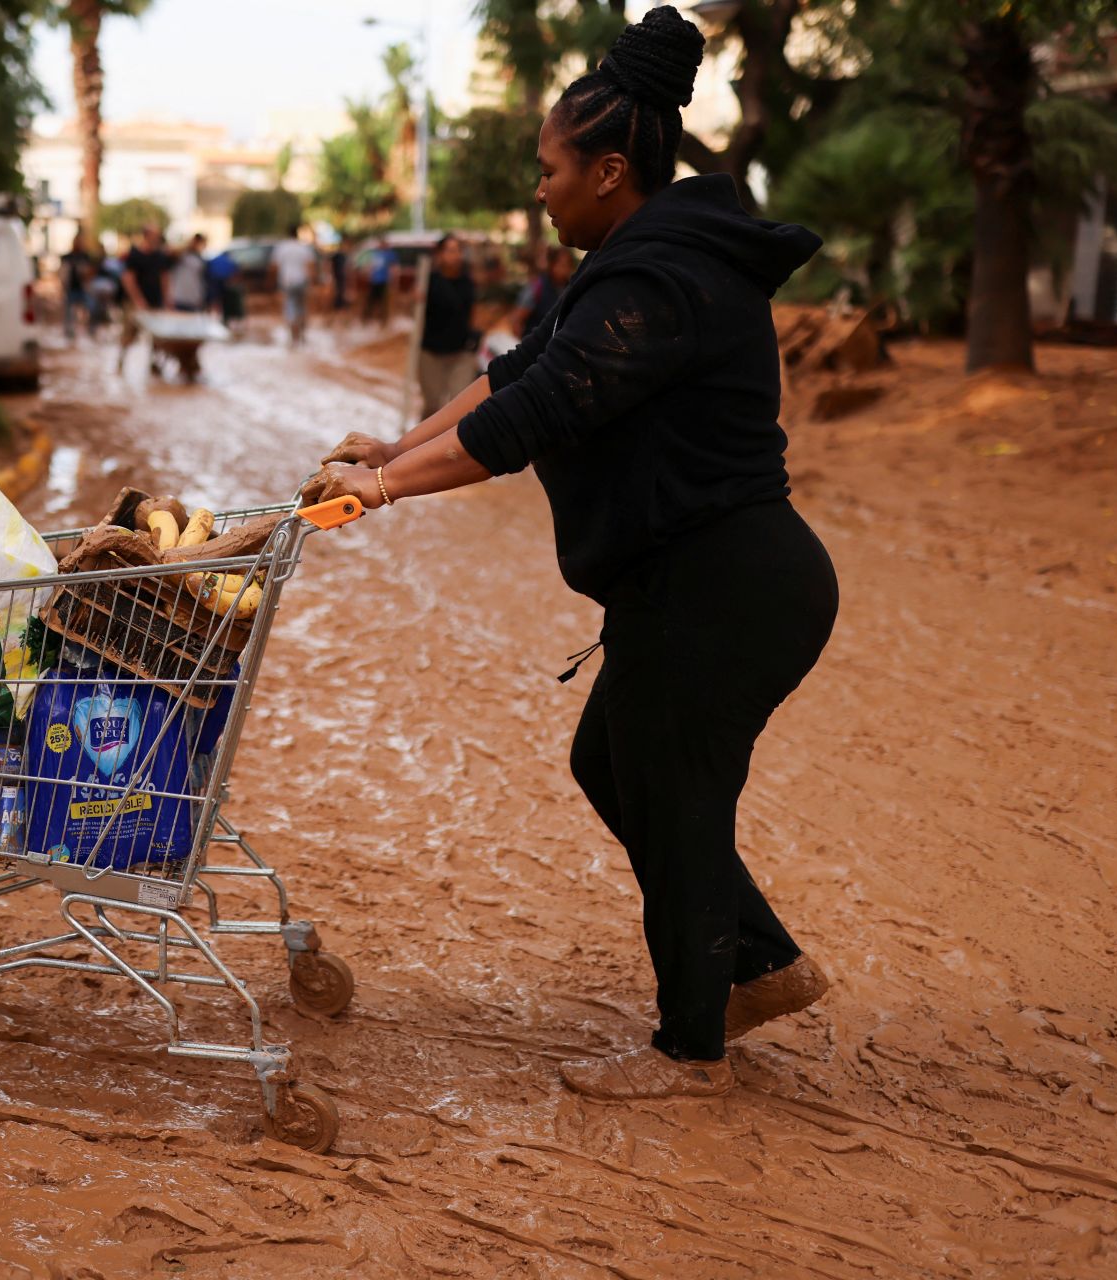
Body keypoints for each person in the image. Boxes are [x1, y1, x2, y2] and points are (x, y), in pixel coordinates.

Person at [304, 5, 837, 1102]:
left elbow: (541, 412)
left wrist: (389, 489)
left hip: (729, 583)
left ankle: (690, 1050)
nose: (537, 189)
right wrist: (395, 443)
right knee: (615, 760)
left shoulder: (659, 277)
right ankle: (762, 962)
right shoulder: (631, 261)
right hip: (693, 581)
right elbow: (516, 370)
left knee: (674, 789)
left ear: (606, 169)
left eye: (547, 170)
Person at [418, 234, 478, 417]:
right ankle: (423, 444)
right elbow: (410, 310)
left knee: (458, 408)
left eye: (458, 251)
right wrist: (413, 299)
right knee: (432, 407)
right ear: (440, 254)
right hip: (431, 354)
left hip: (460, 353)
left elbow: (473, 315)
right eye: (451, 251)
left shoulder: (468, 283)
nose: (456, 255)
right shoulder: (428, 281)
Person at [118, 224, 173, 371]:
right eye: (154, 235)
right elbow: (128, 279)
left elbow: (165, 278)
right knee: (129, 335)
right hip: (135, 303)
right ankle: (121, 364)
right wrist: (138, 300)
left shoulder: (160, 256)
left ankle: (154, 366)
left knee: (157, 339)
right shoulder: (135, 255)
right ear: (146, 235)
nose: (157, 238)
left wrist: (168, 300)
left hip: (155, 302)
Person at [269, 224, 315, 344]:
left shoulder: (281, 248)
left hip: (287, 282)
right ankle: (302, 335)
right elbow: (310, 267)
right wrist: (312, 282)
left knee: (290, 307)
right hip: (302, 281)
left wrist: (271, 284)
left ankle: (294, 338)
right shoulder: (304, 248)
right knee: (302, 307)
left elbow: (274, 267)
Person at [516, 246, 575, 338]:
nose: (565, 270)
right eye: (561, 265)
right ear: (552, 265)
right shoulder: (537, 287)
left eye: (568, 265)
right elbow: (518, 319)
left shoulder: (572, 288)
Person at [61, 233, 97, 340]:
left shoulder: (85, 256)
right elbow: (63, 273)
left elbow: (91, 272)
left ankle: (91, 330)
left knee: (92, 307)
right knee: (69, 312)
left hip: (83, 289)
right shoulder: (67, 257)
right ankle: (69, 332)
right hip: (71, 289)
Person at [169, 233, 208, 312]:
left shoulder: (200, 259)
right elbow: (171, 252)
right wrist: (188, 245)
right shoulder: (182, 255)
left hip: (194, 299)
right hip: (179, 298)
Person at [361, 242, 397, 325]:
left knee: (383, 302)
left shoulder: (389, 254)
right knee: (371, 300)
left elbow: (393, 267)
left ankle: (383, 320)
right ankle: (367, 319)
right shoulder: (375, 254)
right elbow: (370, 266)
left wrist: (393, 280)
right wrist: (368, 274)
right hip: (374, 281)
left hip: (384, 281)